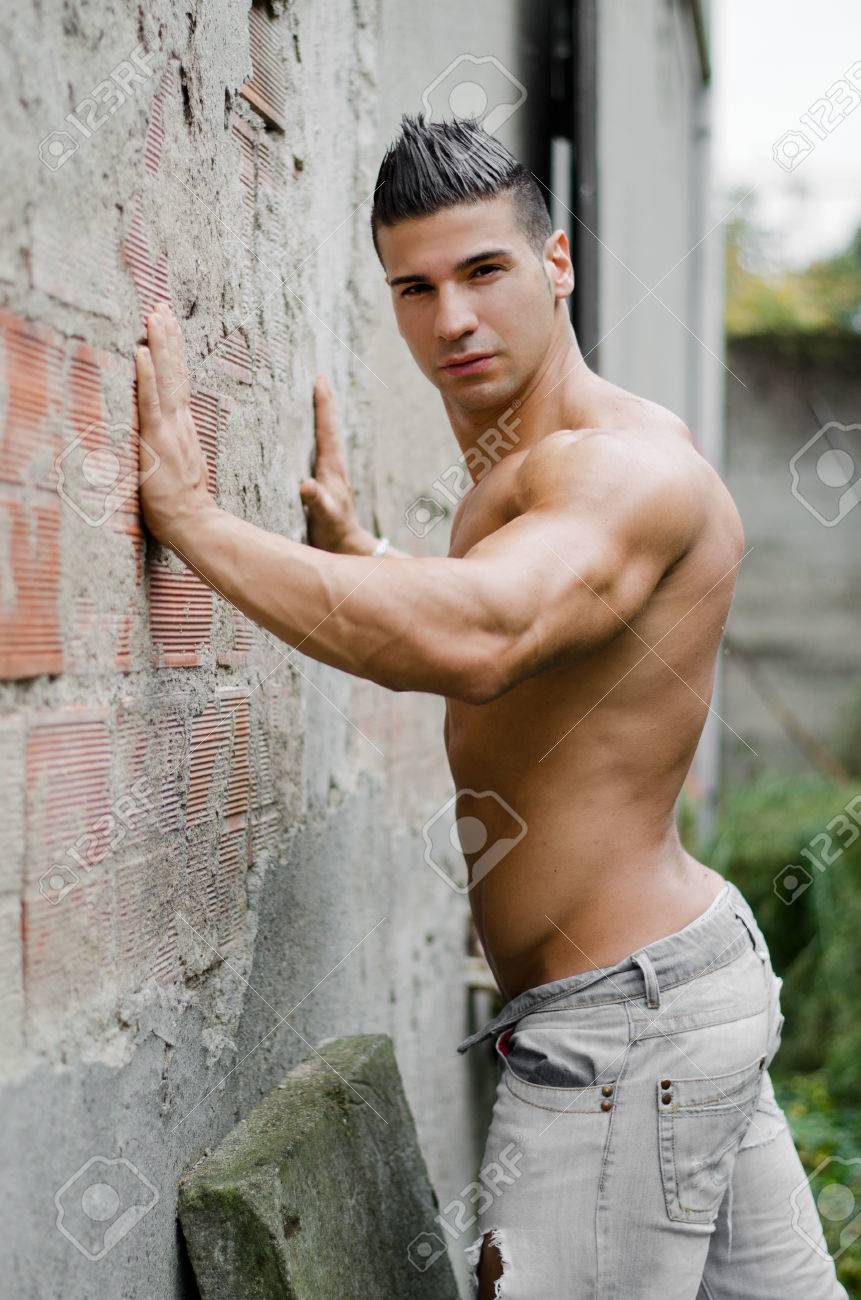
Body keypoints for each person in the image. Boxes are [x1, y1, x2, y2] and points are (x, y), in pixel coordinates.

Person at [136, 115, 847, 1299]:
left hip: (626, 1035)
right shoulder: (530, 469)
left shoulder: (623, 469)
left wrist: (196, 522)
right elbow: (534, 650)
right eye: (413, 287)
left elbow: (483, 636)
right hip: (665, 1003)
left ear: (557, 262)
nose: (451, 319)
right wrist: (361, 556)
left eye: (484, 271)